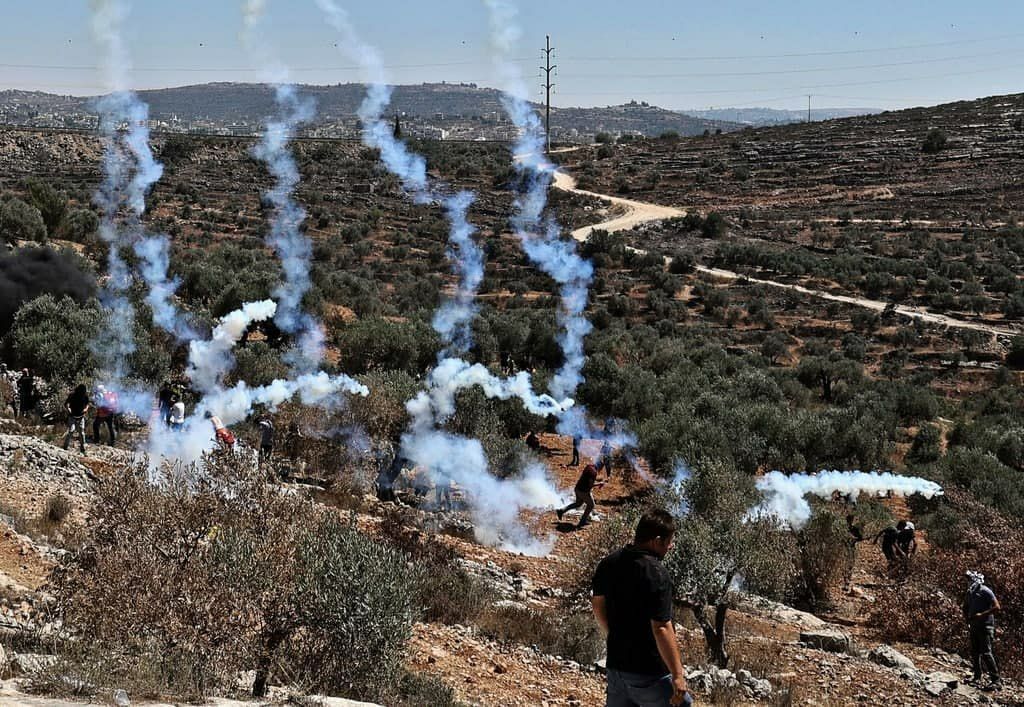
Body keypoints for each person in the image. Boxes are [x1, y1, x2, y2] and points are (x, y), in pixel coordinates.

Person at [592, 510, 692, 707]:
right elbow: (661, 627)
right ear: (656, 541)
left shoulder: (608, 563)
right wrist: (678, 675)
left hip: (616, 668)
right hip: (649, 673)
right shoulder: (657, 573)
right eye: (668, 541)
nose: (670, 547)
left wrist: (615, 636)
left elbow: (597, 606)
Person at [963, 571, 1001, 688]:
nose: (968, 581)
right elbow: (966, 607)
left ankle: (996, 681)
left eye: (970, 579)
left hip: (985, 626)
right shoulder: (970, 593)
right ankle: (977, 677)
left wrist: (982, 615)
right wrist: (967, 618)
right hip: (974, 626)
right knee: (975, 653)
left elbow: (997, 607)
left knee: (986, 653)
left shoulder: (985, 590)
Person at [556, 463, 604, 529]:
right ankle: (582, 522)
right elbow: (590, 485)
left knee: (578, 504)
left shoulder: (589, 466)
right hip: (583, 491)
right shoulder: (594, 472)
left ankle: (561, 511)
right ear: (600, 467)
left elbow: (587, 479)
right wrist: (599, 484)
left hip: (577, 488)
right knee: (591, 505)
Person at [62, 384, 90, 454]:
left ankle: (83, 449)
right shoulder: (72, 395)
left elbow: (87, 404)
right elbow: (67, 403)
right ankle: (65, 447)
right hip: (72, 416)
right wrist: (68, 408)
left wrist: (86, 409)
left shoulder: (85, 396)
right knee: (71, 431)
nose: (83, 391)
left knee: (82, 432)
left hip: (81, 417)